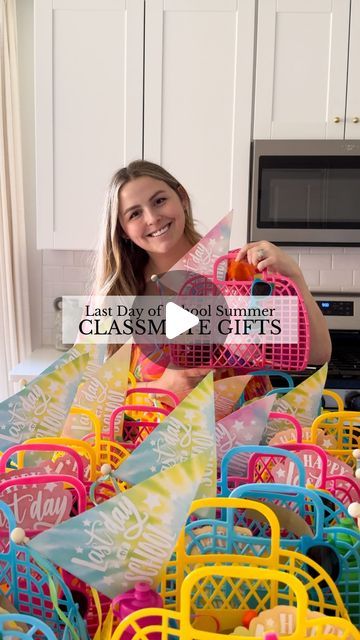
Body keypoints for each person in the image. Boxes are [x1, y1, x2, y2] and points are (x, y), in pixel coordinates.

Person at [93, 160, 331, 401]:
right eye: (135, 213)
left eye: (159, 201)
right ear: (123, 229)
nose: (152, 218)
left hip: (245, 435)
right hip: (150, 436)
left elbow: (317, 353)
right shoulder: (119, 295)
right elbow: (100, 397)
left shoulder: (239, 274)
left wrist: (294, 277)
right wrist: (162, 389)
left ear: (182, 198)